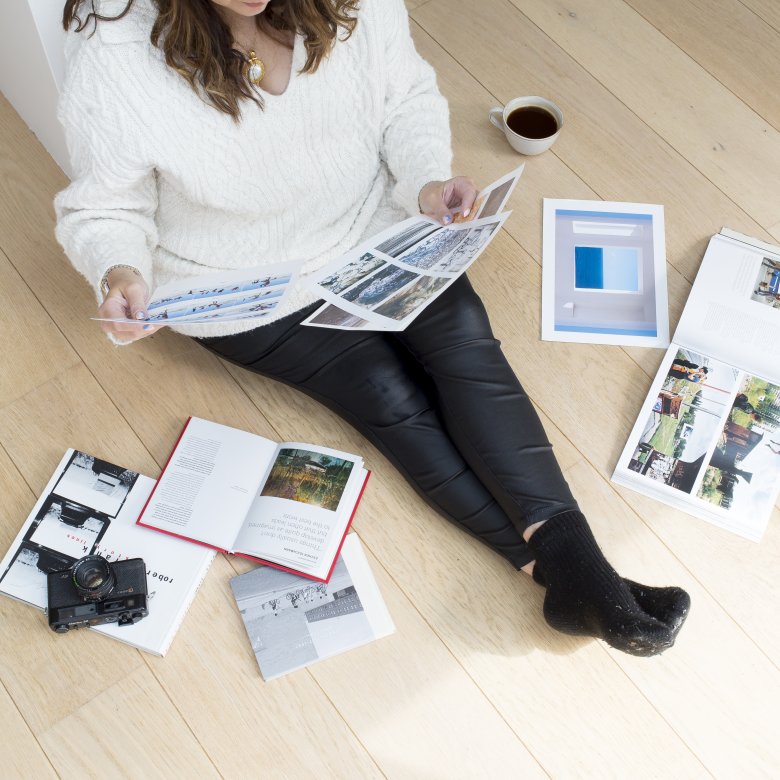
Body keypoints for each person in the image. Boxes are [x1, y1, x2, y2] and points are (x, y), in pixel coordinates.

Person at [54, 0, 690, 656]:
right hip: (242, 280)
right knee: (385, 393)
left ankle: (575, 576)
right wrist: (120, 269)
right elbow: (106, 203)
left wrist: (425, 181)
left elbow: (405, 96)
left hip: (372, 225)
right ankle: (577, 578)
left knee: (463, 337)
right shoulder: (114, 49)